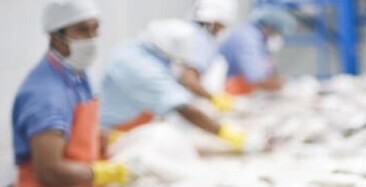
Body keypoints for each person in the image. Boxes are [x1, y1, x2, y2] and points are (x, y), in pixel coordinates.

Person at [10, 0, 129, 187]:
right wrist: (103, 173)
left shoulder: (77, 75)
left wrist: (110, 138)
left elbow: (73, 132)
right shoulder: (45, 92)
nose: (92, 37)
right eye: (82, 30)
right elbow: (48, 170)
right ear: (57, 36)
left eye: (95, 28)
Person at [100, 19, 253, 152]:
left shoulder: (136, 50)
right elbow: (184, 109)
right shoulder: (142, 67)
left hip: (126, 126)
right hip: (113, 135)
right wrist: (228, 134)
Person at [219, 4, 297, 95]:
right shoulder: (248, 39)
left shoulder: (257, 39)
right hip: (225, 91)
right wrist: (284, 85)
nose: (278, 38)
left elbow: (266, 70)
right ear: (268, 28)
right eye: (277, 33)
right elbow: (256, 79)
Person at [183, 0, 239, 112]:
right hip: (188, 108)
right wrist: (214, 99)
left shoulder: (194, 35)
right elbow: (190, 80)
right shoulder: (199, 40)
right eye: (222, 26)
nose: (222, 31)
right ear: (214, 23)